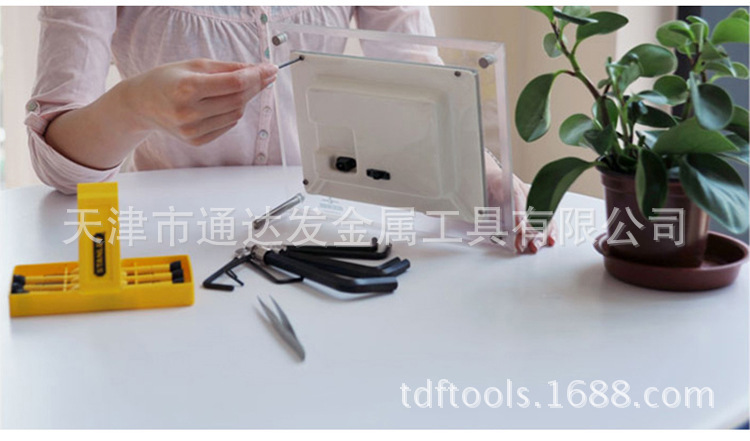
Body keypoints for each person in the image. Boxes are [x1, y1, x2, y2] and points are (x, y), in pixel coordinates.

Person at [26, 6, 554, 253]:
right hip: (167, 243)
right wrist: (135, 105)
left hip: (316, 237)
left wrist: (486, 179)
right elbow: (58, 166)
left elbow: (427, 90)